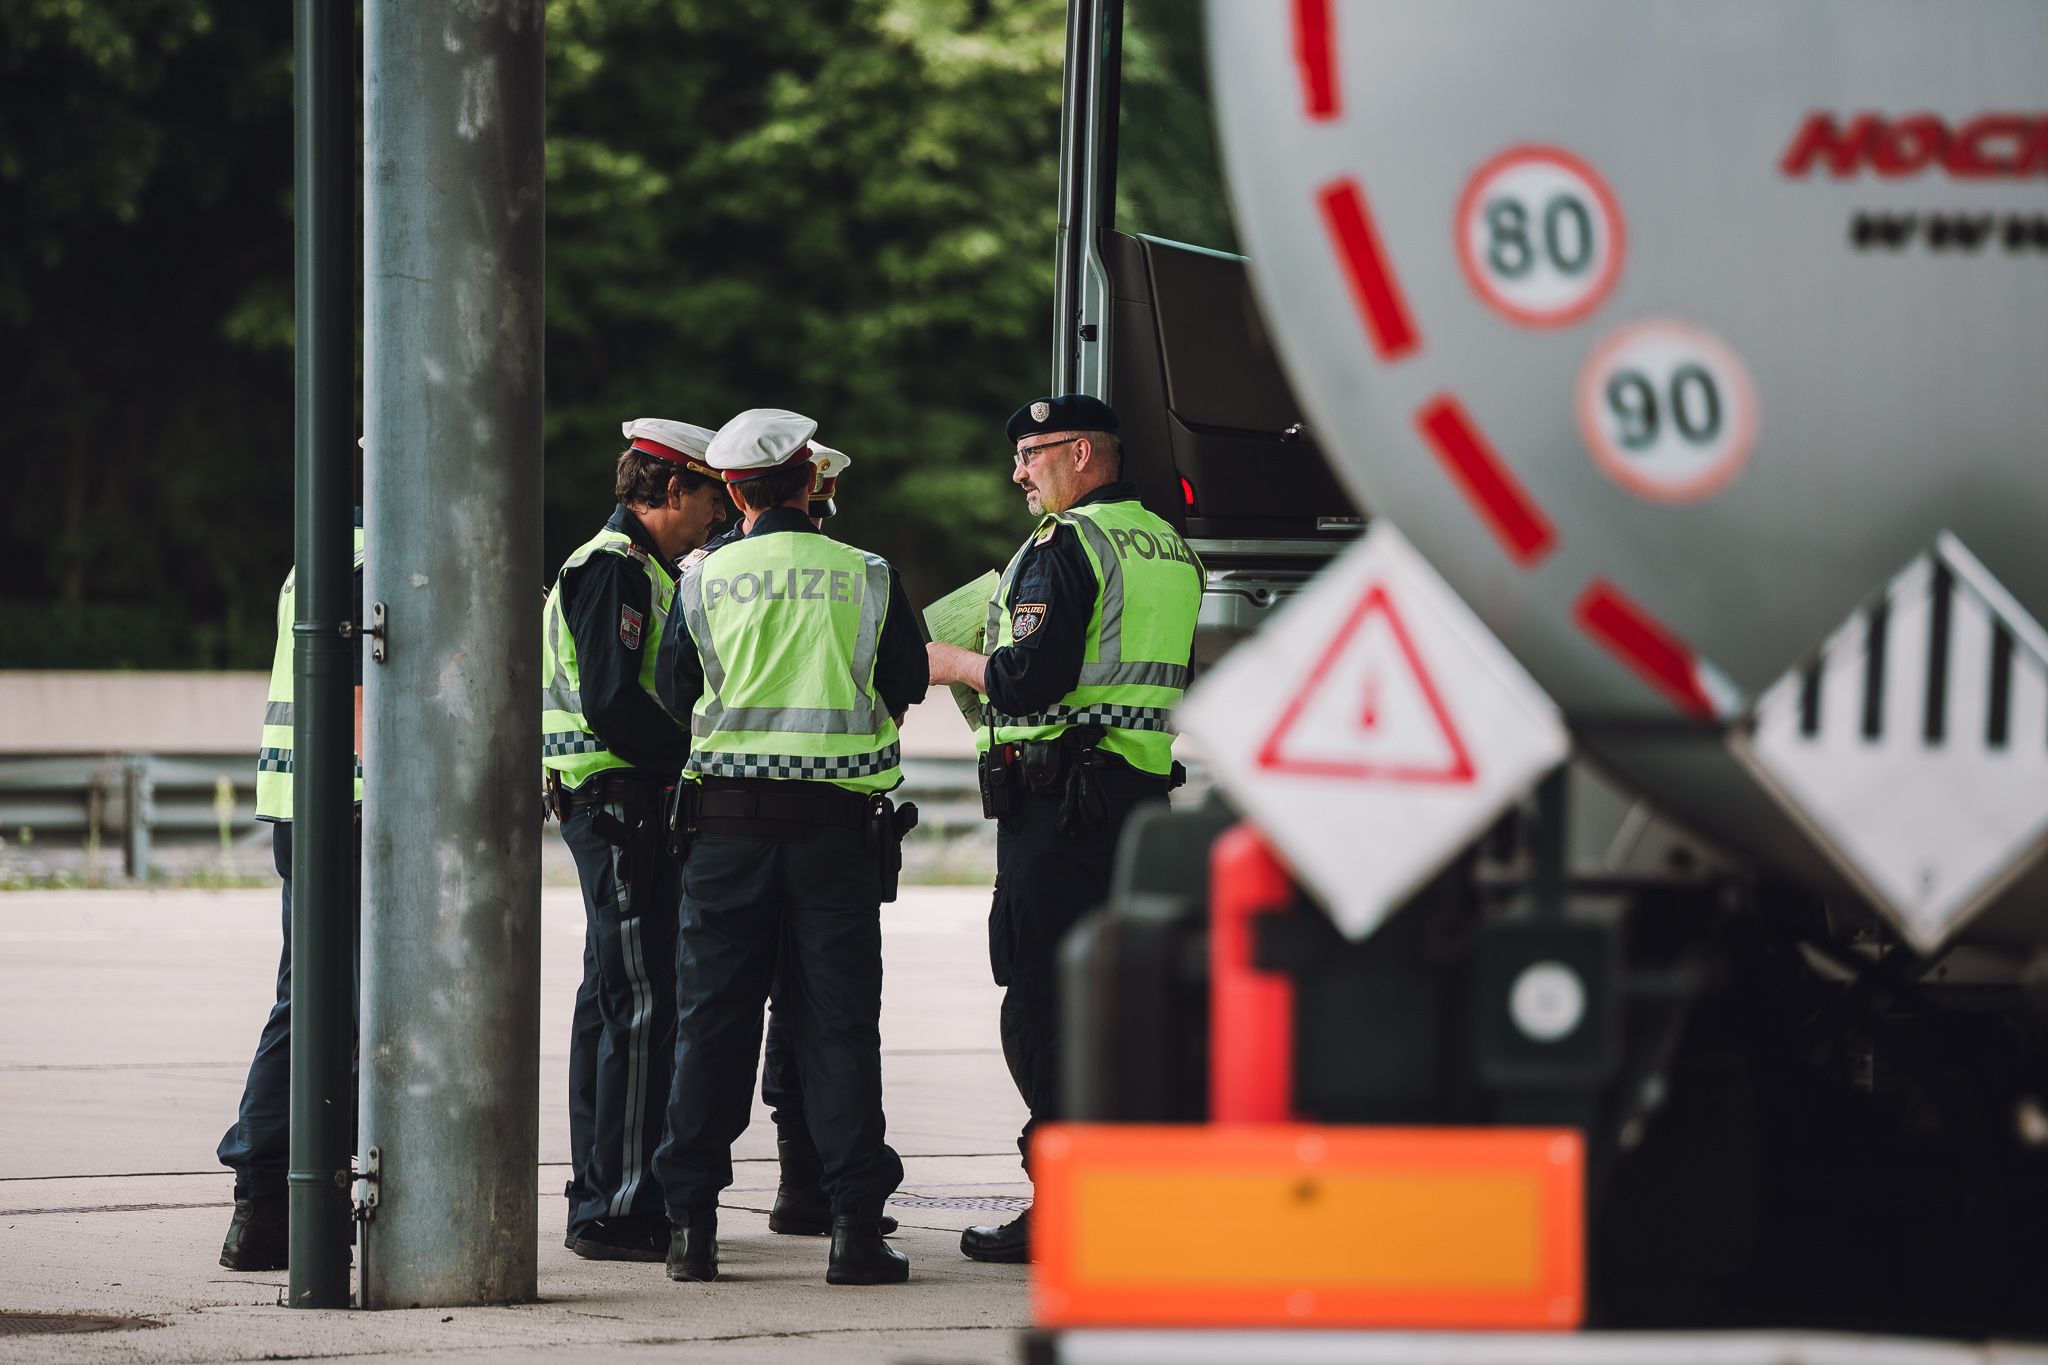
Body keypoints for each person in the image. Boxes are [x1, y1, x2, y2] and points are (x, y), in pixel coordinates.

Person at [925, 393, 1201, 1264]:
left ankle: (1065, 1205)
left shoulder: (1066, 544)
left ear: (1080, 451)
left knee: (1043, 1005)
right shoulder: (1168, 545)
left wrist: (953, 662)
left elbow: (1026, 679)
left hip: (1059, 811)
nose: (1018, 473)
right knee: (1125, 1004)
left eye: (1031, 454)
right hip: (1136, 801)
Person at [654, 409, 926, 1286]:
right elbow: (910, 681)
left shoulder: (699, 578)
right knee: (838, 1026)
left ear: (732, 488)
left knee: (711, 1024)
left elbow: (670, 690)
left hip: (725, 836)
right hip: (835, 839)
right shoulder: (868, 575)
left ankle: (691, 1227)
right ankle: (853, 1228)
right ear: (812, 480)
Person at [545, 417, 729, 1261]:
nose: (717, 515)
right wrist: (701, 758)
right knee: (640, 1004)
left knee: (616, 1002)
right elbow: (614, 706)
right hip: (618, 805)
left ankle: (607, 1190)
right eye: (707, 497)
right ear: (669, 491)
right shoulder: (612, 570)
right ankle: (616, 1207)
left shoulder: (642, 573)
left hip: (621, 805)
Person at [216, 510, 365, 1271]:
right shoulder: (380, 562)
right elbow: (367, 706)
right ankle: (268, 1188)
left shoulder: (321, 557)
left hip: (309, 805)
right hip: (354, 807)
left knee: (315, 997)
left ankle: (278, 1199)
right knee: (321, 1002)